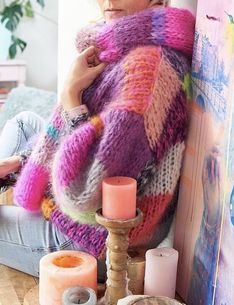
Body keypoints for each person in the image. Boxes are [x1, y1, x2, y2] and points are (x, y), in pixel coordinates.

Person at [0, 0, 195, 280]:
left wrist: (70, 98)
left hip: (97, 240)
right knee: (23, 122)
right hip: (102, 203)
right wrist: (21, 162)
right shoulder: (120, 45)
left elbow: (83, 193)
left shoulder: (147, 68)